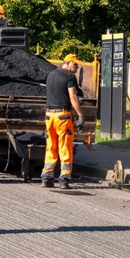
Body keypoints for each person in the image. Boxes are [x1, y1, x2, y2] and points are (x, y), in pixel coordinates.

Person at [41, 54, 86, 189]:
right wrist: (80, 114)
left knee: (51, 147)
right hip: (63, 116)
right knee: (65, 147)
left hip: (49, 116)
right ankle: (64, 179)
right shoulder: (69, 77)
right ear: (68, 63)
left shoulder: (51, 75)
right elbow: (73, 96)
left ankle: (46, 178)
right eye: (76, 64)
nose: (77, 67)